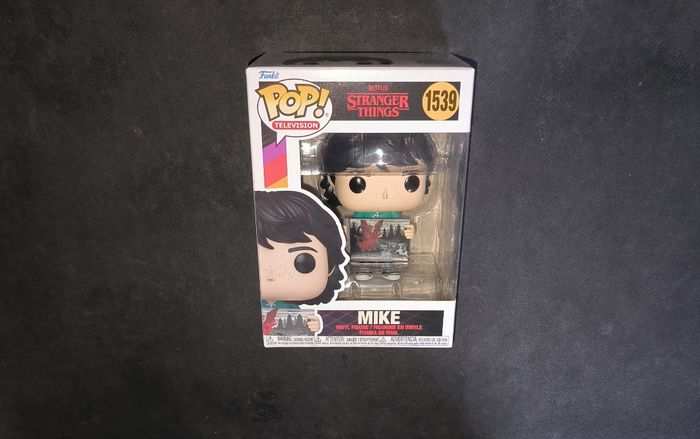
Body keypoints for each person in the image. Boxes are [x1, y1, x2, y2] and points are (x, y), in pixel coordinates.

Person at [254, 190, 348, 333]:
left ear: (330, 267)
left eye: (303, 262)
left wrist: (318, 325)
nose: (272, 273)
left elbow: (308, 327)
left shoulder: (292, 309)